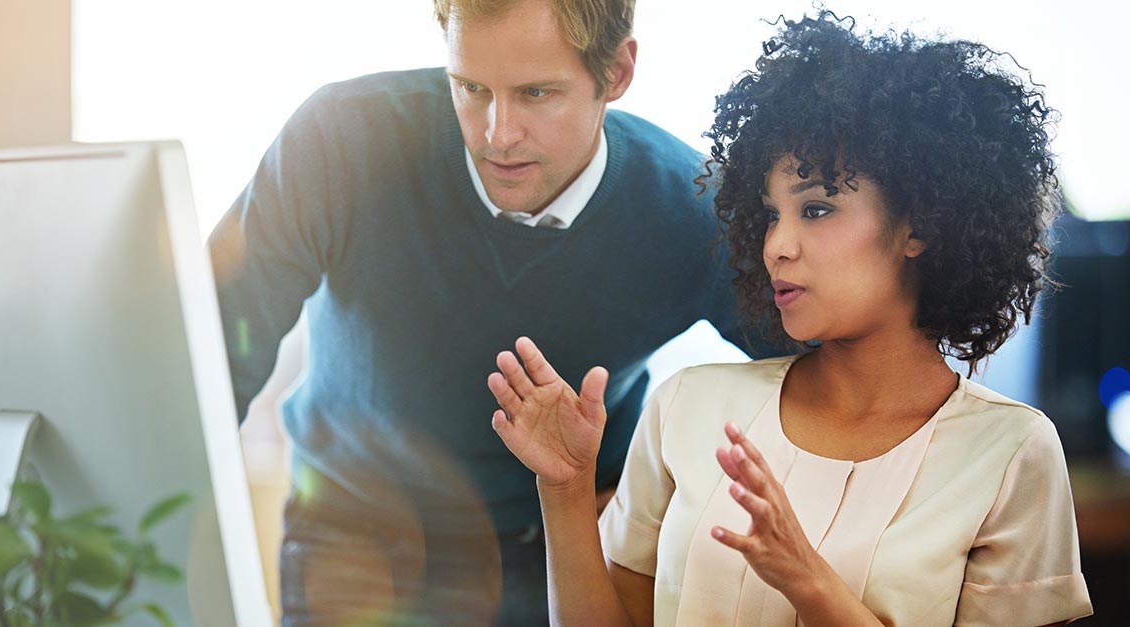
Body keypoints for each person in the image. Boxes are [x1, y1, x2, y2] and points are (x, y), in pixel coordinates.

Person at [487, 11, 1094, 626]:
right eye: (770, 214)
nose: (777, 244)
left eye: (818, 209)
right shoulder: (689, 406)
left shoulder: (1010, 451)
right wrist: (565, 490)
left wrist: (807, 579)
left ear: (922, 226)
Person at [208, 0, 767, 624]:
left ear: (616, 72)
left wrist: (671, 492)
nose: (497, 134)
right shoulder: (340, 138)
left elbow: (840, 362)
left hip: (559, 552)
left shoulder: (692, 210)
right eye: (471, 88)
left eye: (535, 93)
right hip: (353, 542)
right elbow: (211, 356)